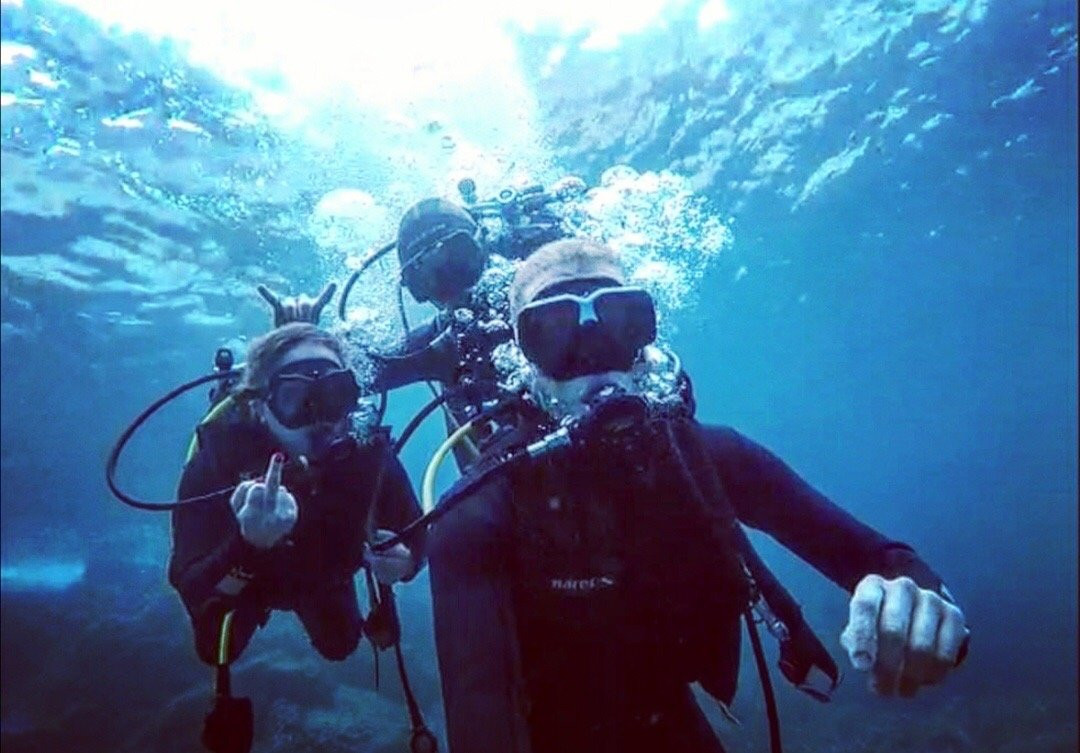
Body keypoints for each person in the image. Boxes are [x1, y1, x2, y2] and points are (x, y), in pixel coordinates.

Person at [426, 239, 970, 753]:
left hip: (664, 710)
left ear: (647, 339)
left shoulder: (708, 457)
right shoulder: (478, 508)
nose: (593, 354)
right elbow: (482, 711)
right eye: (553, 331)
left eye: (620, 321)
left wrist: (921, 597)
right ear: (524, 363)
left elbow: (879, 558)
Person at [168, 321, 424, 672]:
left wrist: (405, 560)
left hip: (323, 575)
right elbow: (191, 585)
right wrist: (249, 546)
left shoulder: (365, 454)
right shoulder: (219, 460)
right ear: (259, 407)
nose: (319, 419)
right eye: (295, 398)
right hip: (248, 579)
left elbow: (417, 534)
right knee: (216, 652)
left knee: (341, 645)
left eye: (334, 394)